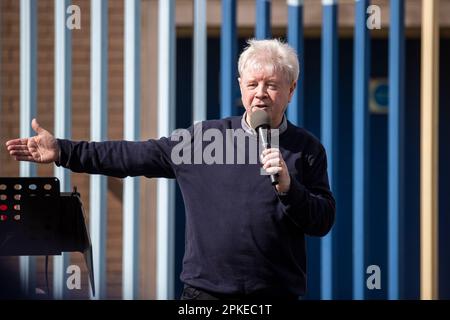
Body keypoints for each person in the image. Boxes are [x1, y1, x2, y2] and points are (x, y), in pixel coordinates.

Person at [6, 39, 335, 300]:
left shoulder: (306, 149)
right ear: (240, 86)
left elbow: (322, 220)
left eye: (272, 85)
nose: (260, 94)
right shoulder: (205, 139)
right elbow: (131, 156)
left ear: (291, 89)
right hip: (204, 296)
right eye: (253, 84)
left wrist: (289, 189)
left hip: (275, 295)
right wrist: (63, 150)